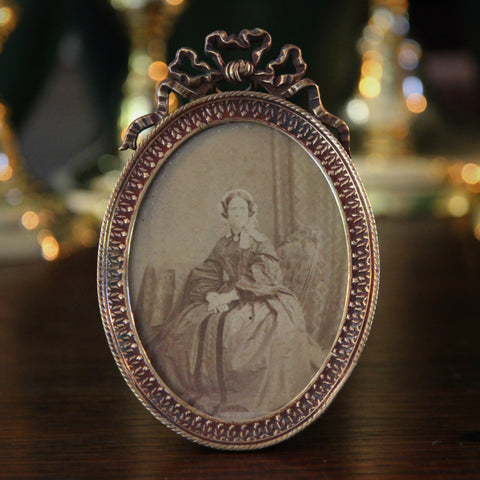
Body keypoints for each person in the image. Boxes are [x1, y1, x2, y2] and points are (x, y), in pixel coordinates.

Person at [150, 189, 322, 420]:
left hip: (260, 298)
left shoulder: (260, 242)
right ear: (226, 215)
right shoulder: (223, 244)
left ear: (249, 213)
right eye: (233, 210)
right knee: (192, 321)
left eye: (242, 209)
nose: (238, 213)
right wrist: (211, 295)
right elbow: (207, 271)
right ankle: (198, 389)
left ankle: (237, 393)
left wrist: (229, 297)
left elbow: (266, 276)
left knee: (236, 329)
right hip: (224, 295)